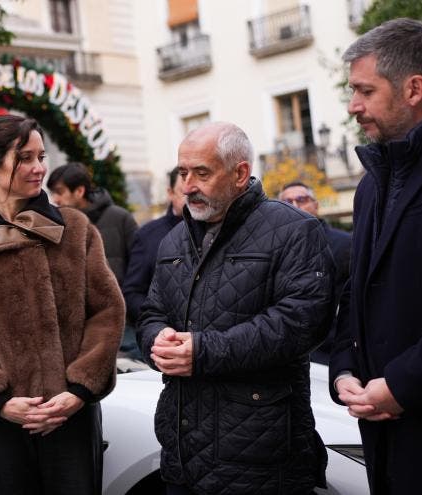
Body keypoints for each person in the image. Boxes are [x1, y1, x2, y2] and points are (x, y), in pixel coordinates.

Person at [0, 114, 124, 495]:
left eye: (41, 156)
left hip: (71, 418)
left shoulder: (74, 229)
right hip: (2, 426)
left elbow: (107, 312)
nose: (38, 168)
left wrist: (78, 391)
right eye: (25, 158)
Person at [137, 122, 335, 494]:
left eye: (202, 173)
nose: (188, 185)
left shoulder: (295, 230)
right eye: (183, 173)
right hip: (182, 457)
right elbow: (151, 313)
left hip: (261, 461)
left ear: (240, 173)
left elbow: (301, 322)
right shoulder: (173, 241)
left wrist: (204, 351)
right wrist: (157, 341)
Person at [331, 18, 422, 494]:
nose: (353, 106)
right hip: (384, 439)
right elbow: (358, 290)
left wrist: (400, 385)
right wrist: (344, 368)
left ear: (414, 88)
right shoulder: (371, 183)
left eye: (365, 91)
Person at [279, 181, 351, 364]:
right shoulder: (273, 250)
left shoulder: (345, 244)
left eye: (302, 199)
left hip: (332, 354)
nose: (295, 206)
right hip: (287, 354)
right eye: (287, 202)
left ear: (316, 205)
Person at [47, 162, 137, 285]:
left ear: (79, 191)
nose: (55, 199)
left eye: (59, 192)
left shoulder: (121, 218)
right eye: (52, 193)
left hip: (121, 301)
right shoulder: (56, 224)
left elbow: (139, 267)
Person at [123, 166, 186, 325]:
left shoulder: (219, 230)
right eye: (184, 192)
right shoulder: (148, 235)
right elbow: (133, 292)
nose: (192, 197)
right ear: (170, 193)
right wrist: (158, 325)